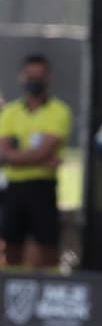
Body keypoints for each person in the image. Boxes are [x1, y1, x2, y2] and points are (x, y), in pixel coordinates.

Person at [0, 54, 72, 268]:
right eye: (30, 76)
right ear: (22, 77)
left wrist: (16, 157)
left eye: (39, 76)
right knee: (11, 246)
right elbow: (4, 151)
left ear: (48, 77)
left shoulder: (59, 111)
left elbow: (43, 151)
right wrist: (40, 158)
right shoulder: (9, 113)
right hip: (13, 189)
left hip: (43, 188)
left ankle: (49, 288)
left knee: (47, 246)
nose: (34, 81)